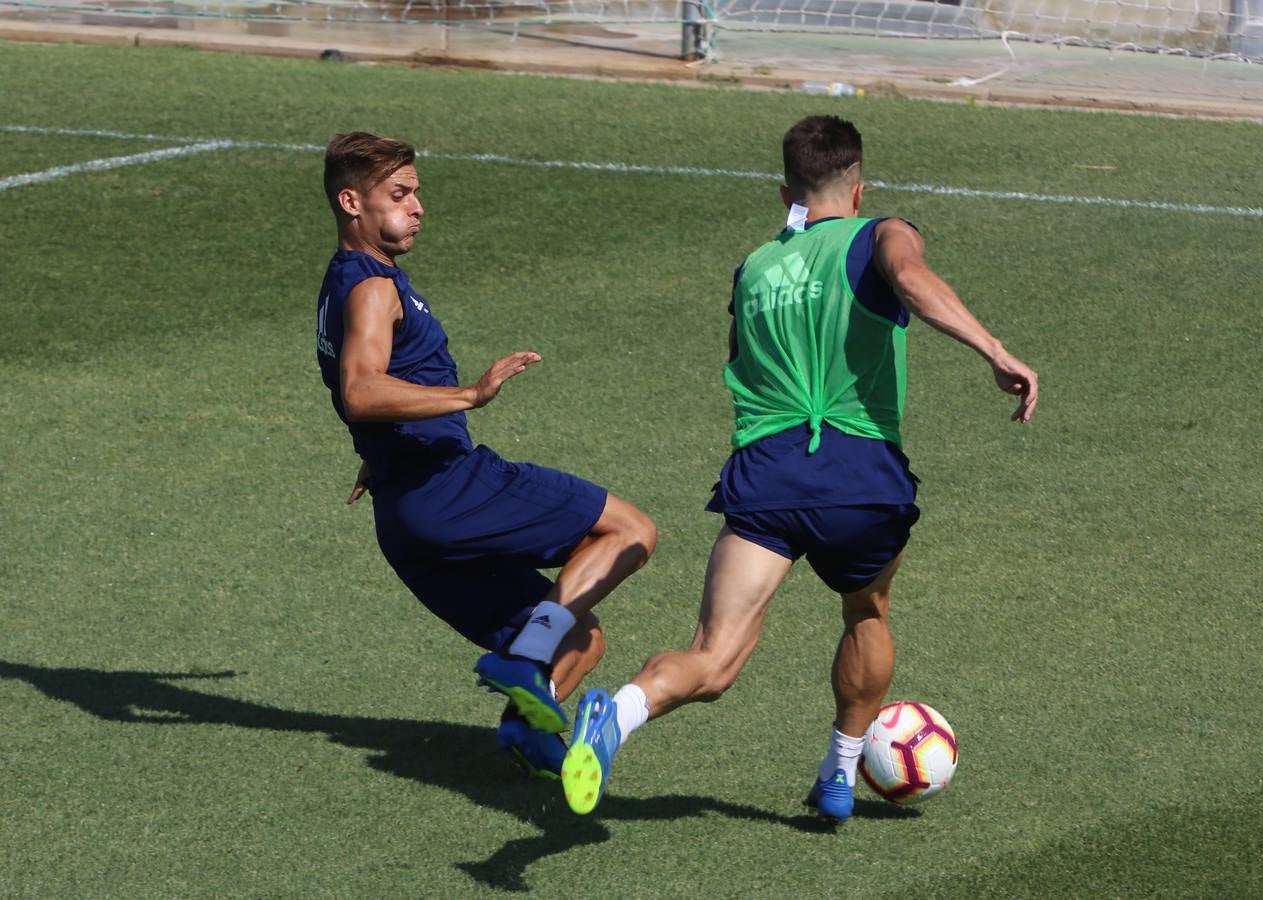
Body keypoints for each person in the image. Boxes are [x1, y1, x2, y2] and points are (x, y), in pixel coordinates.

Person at [561, 115, 1038, 822]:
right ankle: (841, 771)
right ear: (859, 187)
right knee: (864, 609)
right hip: (858, 475)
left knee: (714, 657)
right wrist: (993, 350)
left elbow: (741, 364)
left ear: (786, 190)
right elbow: (909, 278)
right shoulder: (879, 232)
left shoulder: (751, 269)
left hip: (767, 472)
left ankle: (620, 713)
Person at [314, 132, 657, 779]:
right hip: (451, 487)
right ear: (351, 201)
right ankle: (524, 662)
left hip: (403, 513)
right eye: (399, 194)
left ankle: (525, 732)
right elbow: (360, 388)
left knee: (583, 640)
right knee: (631, 530)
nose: (416, 206)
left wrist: (380, 450)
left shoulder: (345, 281)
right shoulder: (371, 288)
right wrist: (468, 394)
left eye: (415, 192)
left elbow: (364, 387)